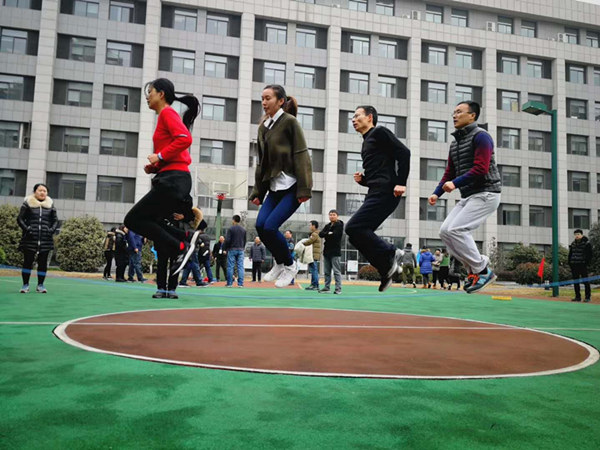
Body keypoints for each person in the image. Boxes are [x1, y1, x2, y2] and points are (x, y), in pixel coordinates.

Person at [124, 78, 201, 277]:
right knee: (152, 220)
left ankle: (181, 246)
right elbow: (175, 151)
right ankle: (185, 237)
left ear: (161, 94)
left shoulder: (167, 113)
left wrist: (159, 156)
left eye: (150, 92)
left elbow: (185, 139)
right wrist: (155, 166)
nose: (147, 97)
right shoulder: (164, 116)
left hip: (174, 180)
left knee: (132, 219)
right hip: (172, 177)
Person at [428, 101, 501, 294]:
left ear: (472, 116)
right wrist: (437, 192)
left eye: (459, 112)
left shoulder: (482, 137)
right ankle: (474, 271)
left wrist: (455, 183)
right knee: (445, 231)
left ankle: (482, 270)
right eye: (454, 112)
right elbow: (449, 172)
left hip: (487, 193)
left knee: (457, 229)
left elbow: (481, 168)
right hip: (469, 195)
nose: (454, 115)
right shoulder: (455, 143)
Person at [249, 84, 313, 288]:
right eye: (262, 98)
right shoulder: (263, 127)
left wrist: (304, 188)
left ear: (280, 101)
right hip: (274, 188)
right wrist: (258, 192)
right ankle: (279, 262)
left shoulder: (290, 122)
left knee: (270, 226)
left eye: (268, 98)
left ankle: (290, 265)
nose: (264, 102)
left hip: (292, 187)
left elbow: (302, 155)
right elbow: (262, 163)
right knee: (260, 226)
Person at [346, 105, 410, 292]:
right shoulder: (366, 142)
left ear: (369, 117)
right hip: (375, 191)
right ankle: (386, 270)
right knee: (355, 237)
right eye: (353, 117)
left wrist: (401, 182)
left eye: (357, 115)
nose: (353, 119)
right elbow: (379, 172)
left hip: (387, 192)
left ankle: (392, 251)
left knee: (352, 227)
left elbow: (404, 153)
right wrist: (364, 180)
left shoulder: (380, 132)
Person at [17, 183, 58, 294]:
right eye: (40, 190)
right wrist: (27, 229)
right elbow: (20, 219)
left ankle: (41, 285)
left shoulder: (50, 206)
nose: (42, 192)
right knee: (27, 263)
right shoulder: (27, 204)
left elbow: (55, 221)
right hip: (30, 239)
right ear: (35, 192)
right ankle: (25, 285)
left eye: (44, 191)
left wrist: (50, 231)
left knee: (43, 264)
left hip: (45, 240)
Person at [319, 210, 344, 294]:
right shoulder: (328, 225)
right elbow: (320, 234)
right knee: (327, 272)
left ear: (337, 216)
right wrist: (328, 233)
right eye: (330, 215)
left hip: (335, 251)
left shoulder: (339, 225)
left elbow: (335, 235)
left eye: (334, 215)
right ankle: (327, 288)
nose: (332, 216)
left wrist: (327, 234)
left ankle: (338, 289)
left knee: (336, 271)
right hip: (326, 251)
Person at [179, 217, 208, 288]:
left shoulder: (188, 228)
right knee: (195, 264)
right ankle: (199, 281)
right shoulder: (194, 232)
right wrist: (200, 242)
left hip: (187, 249)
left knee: (188, 265)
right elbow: (194, 240)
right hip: (192, 250)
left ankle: (183, 281)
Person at [568, 229, 593, 302]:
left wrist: (586, 263)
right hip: (574, 265)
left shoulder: (586, 243)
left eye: (578, 234)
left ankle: (587, 297)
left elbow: (590, 255)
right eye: (575, 234)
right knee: (576, 281)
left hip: (582, 265)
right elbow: (570, 254)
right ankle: (577, 297)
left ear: (582, 235)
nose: (577, 236)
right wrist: (570, 262)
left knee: (585, 281)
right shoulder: (573, 244)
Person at [225, 215, 246, 288]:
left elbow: (227, 240)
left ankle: (229, 283)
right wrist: (242, 247)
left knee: (230, 266)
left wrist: (226, 248)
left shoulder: (231, 229)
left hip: (232, 249)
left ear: (233, 220)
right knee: (240, 266)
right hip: (241, 249)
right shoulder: (243, 230)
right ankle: (240, 284)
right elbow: (244, 240)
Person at [302, 220, 322, 291]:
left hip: (313, 254)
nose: (309, 227)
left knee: (314, 270)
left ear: (314, 226)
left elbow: (309, 242)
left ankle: (315, 285)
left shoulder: (314, 234)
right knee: (313, 269)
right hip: (314, 254)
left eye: (310, 225)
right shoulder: (317, 233)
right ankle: (313, 284)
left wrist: (302, 243)